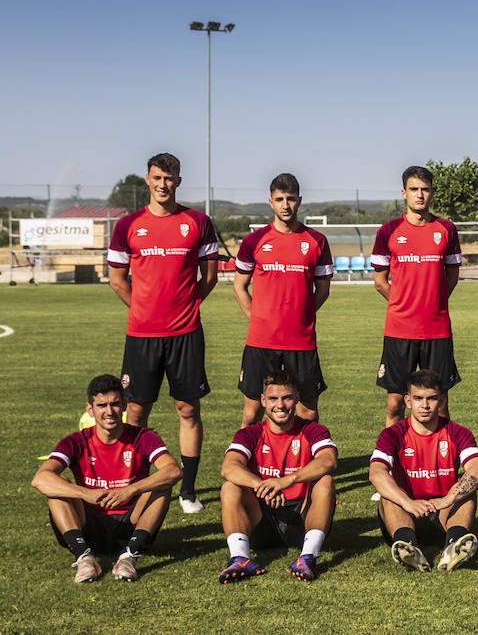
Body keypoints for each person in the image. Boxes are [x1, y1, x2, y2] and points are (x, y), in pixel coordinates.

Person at [106, 152, 218, 513]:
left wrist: (183, 308)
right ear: (147, 180)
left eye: (169, 178)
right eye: (157, 178)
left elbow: (210, 277)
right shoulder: (127, 226)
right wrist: (144, 311)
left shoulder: (198, 222)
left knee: (188, 409)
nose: (163, 184)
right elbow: (117, 280)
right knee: (136, 411)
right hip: (142, 336)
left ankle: (187, 491)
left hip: (186, 333)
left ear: (178, 182)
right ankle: (135, 485)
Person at [31, 375, 181, 582]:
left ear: (125, 405)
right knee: (58, 487)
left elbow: (173, 471)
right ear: (90, 409)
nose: (109, 412)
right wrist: (85, 493)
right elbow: (40, 479)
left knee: (162, 485)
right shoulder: (76, 441)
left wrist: (130, 490)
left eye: (115, 404)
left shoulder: (142, 437)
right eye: (101, 405)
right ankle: (85, 558)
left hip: (131, 523)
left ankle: (130, 556)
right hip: (89, 525)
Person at [232, 173, 334, 428]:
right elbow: (239, 286)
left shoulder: (317, 241)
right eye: (279, 199)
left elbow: (322, 290)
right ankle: (246, 464)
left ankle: (308, 465)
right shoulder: (253, 241)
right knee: (252, 412)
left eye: (290, 199)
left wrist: (302, 317)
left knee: (308, 412)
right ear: (271, 202)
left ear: (299, 201)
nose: (285, 205)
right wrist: (257, 318)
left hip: (300, 341)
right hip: (261, 340)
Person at [217, 372, 338, 583]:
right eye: (273, 399)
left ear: (297, 398)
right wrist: (262, 485)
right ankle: (240, 558)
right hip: (261, 519)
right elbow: (229, 467)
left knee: (325, 481)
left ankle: (308, 557)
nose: (280, 405)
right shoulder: (250, 433)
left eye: (287, 398)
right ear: (263, 401)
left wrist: (286, 480)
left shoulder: (312, 430)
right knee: (230, 487)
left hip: (301, 517)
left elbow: (328, 461)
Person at [370, 165, 463, 429]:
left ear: (432, 192)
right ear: (403, 193)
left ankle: (441, 465)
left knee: (440, 403)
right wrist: (404, 303)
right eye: (414, 189)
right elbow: (379, 281)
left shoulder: (446, 229)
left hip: (437, 329)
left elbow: (452, 276)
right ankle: (392, 463)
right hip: (400, 330)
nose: (419, 195)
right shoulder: (388, 231)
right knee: (395, 404)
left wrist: (433, 302)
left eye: (425, 189)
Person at [370, 370, 478, 572]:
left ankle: (454, 545)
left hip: (444, 514)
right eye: (418, 399)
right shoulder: (392, 434)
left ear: (441, 400)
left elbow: (477, 470)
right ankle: (408, 545)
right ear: (407, 401)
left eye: (431, 399)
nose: (424, 405)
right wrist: (408, 502)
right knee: (388, 495)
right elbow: (376, 473)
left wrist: (448, 499)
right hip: (404, 514)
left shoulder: (458, 433)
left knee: (468, 491)